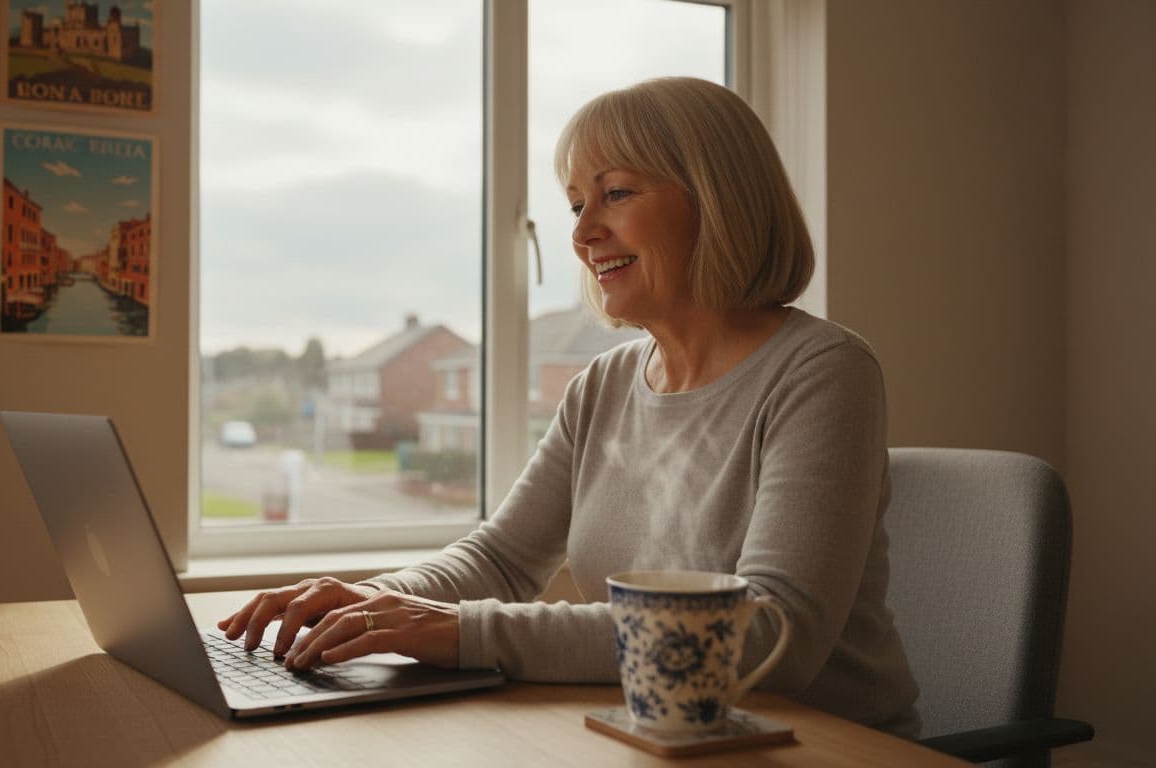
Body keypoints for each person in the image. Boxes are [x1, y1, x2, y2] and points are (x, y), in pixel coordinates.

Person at [218, 76, 921, 736]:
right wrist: (366, 605)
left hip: (815, 745)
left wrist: (463, 631)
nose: (583, 234)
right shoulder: (604, 385)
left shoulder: (823, 372)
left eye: (615, 193)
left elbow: (771, 635)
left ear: (717, 198)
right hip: (659, 736)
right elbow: (499, 560)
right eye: (576, 203)